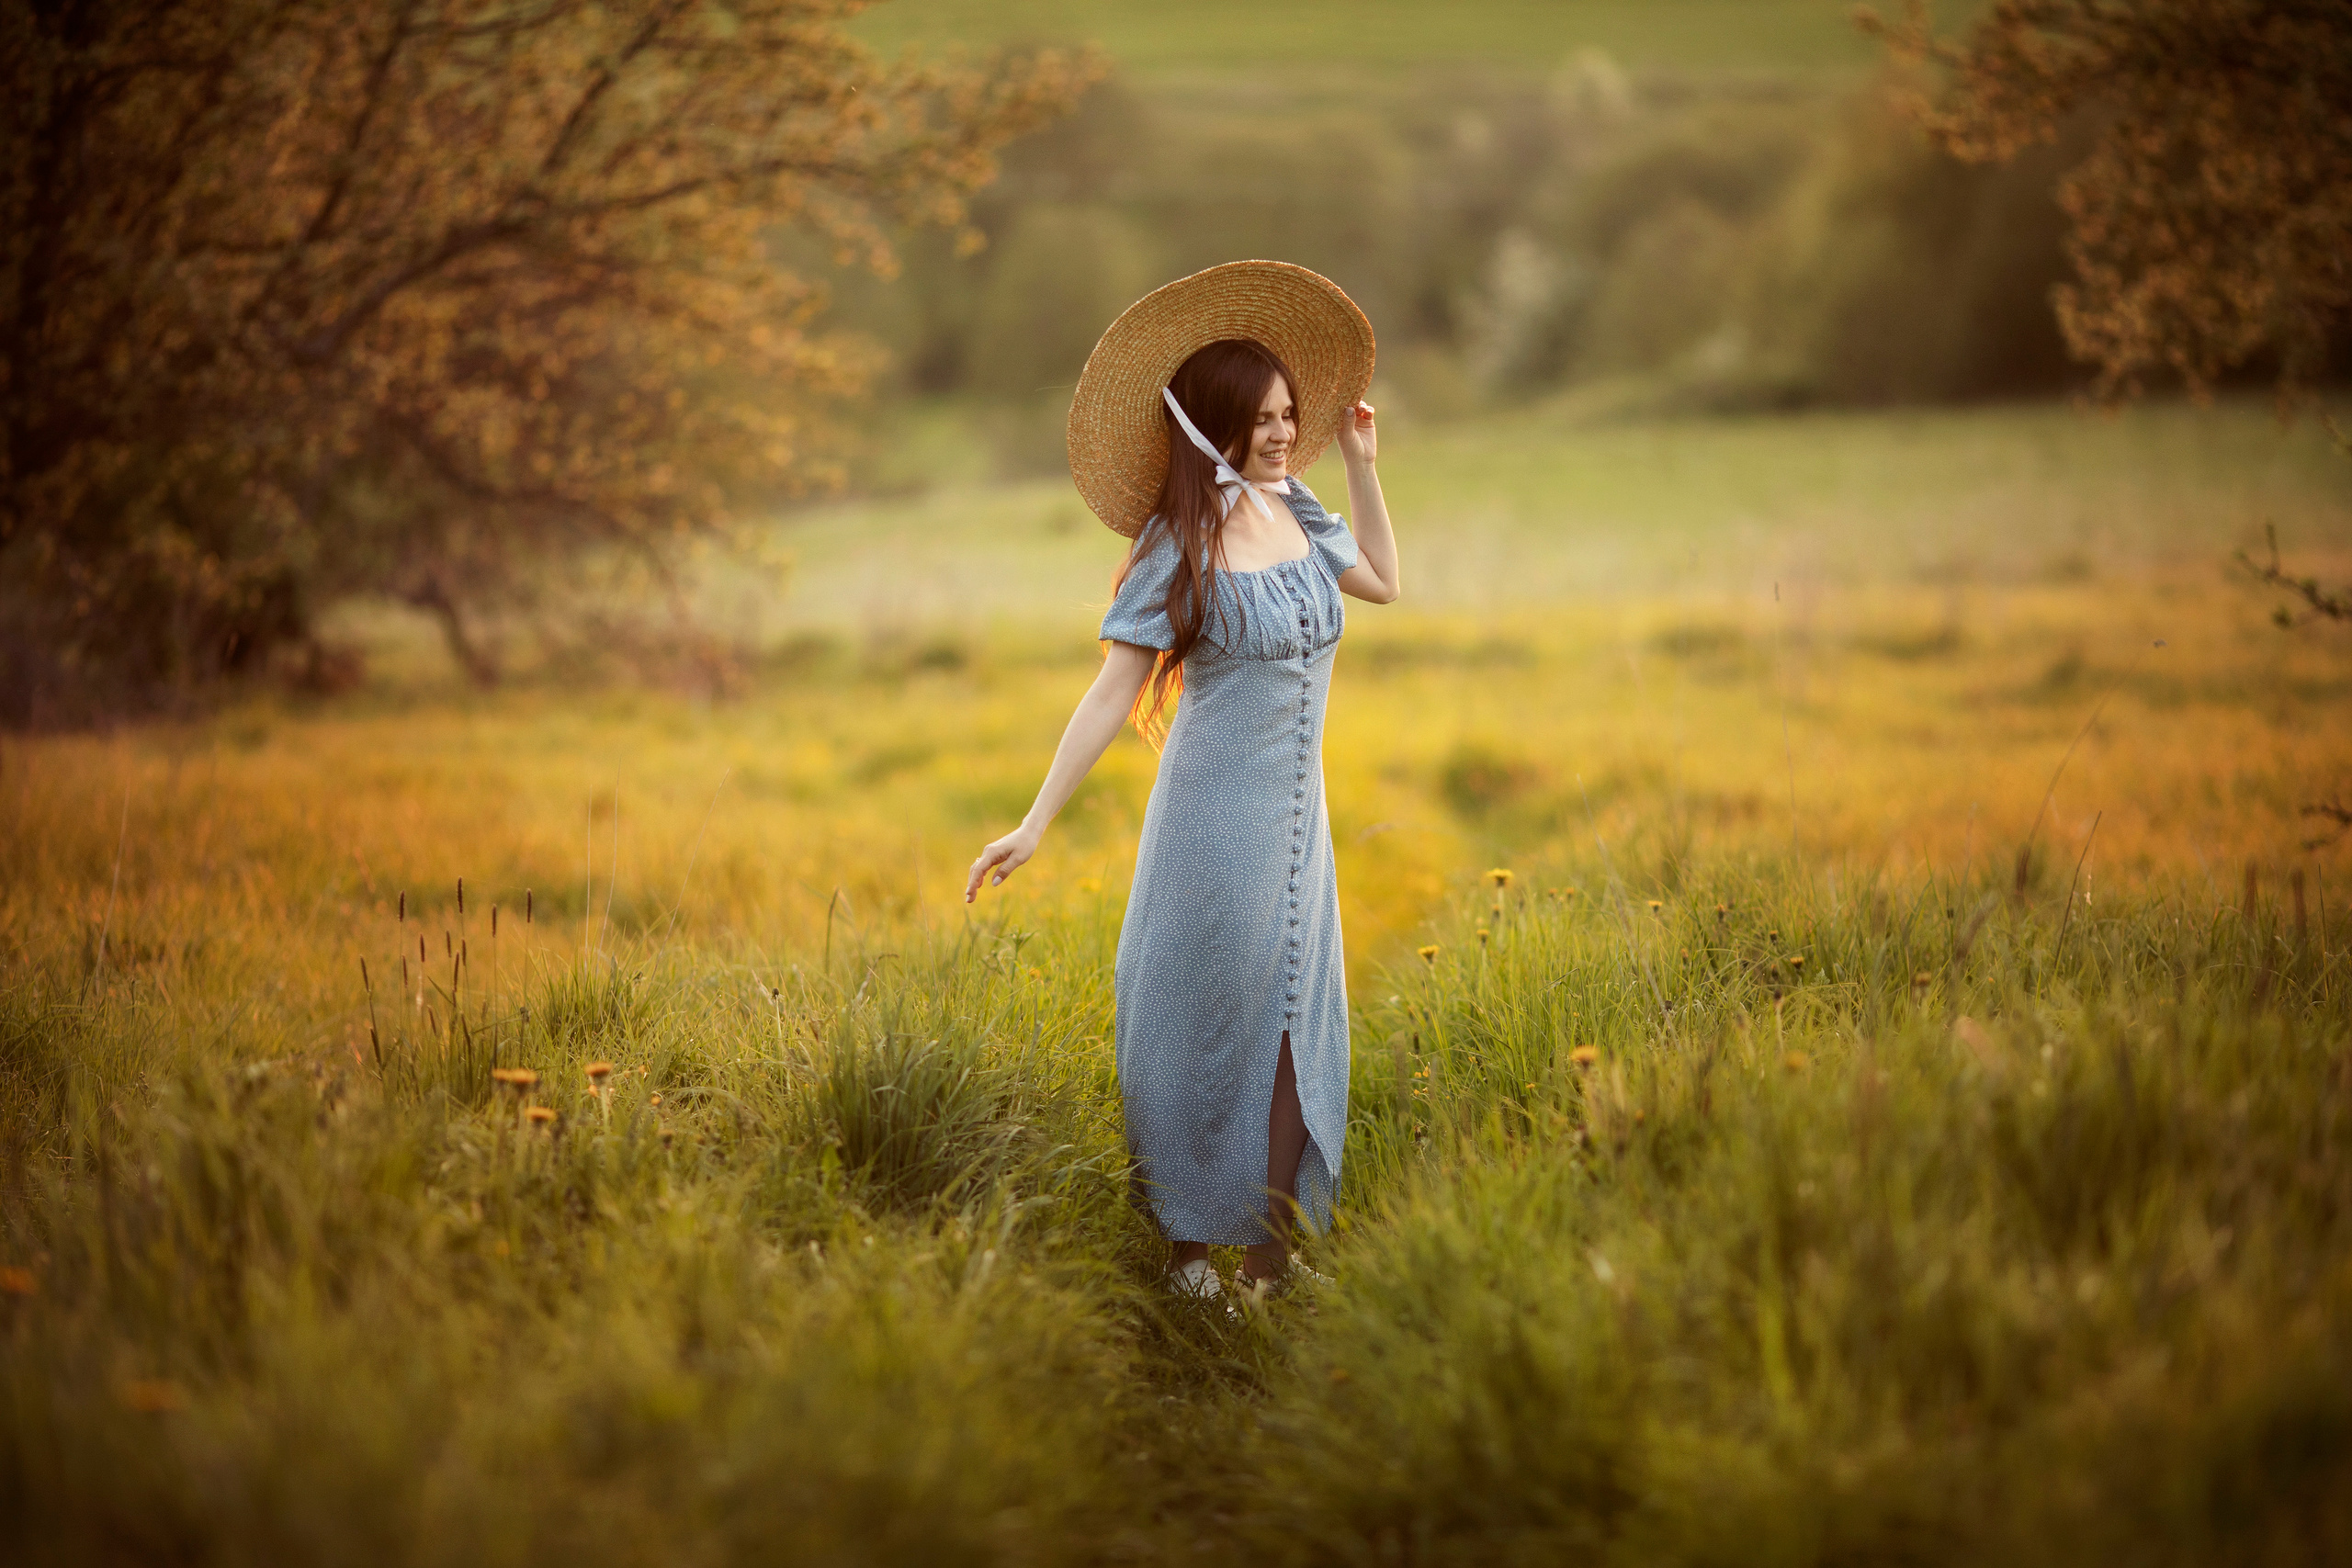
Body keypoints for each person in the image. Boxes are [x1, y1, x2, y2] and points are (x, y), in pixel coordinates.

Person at [963, 262, 1399, 1304]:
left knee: (1294, 1027)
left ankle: (1268, 1261)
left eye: (1290, 413)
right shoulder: (1178, 543)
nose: (1284, 433)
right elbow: (1111, 692)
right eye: (1263, 418)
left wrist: (1362, 464)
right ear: (1212, 426)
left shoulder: (1300, 510)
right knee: (1205, 1023)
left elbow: (1384, 583)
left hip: (1299, 826)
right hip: (1211, 820)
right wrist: (1035, 822)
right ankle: (1187, 1252)